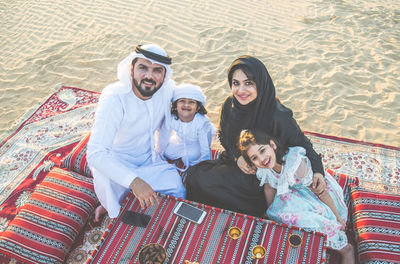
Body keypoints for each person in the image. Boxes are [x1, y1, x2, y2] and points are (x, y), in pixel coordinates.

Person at [186, 55, 326, 218]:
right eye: (236, 83)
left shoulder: (277, 115)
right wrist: (238, 157)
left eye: (248, 83)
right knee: (196, 176)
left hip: (271, 177)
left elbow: (302, 143)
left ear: (260, 84)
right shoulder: (229, 106)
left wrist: (318, 171)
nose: (241, 90)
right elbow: (225, 138)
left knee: (256, 196)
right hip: (241, 167)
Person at [87, 44, 186, 221]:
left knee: (176, 187)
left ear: (164, 76)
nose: (149, 76)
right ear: (131, 68)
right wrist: (135, 182)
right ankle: (110, 207)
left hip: (149, 159)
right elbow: (95, 153)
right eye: (143, 68)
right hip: (118, 164)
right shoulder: (114, 98)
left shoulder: (167, 90)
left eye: (157, 70)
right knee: (118, 209)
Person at [238, 129, 355, 264]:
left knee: (311, 221)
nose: (261, 159)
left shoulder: (295, 163)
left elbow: (321, 191)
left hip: (314, 194)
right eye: (255, 158)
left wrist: (337, 217)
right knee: (282, 214)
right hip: (292, 194)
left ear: (272, 145)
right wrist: (269, 211)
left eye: (262, 150)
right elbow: (269, 187)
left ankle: (345, 249)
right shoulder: (266, 168)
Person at [157, 83, 216, 172]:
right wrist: (160, 154)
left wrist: (205, 165)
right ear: (176, 106)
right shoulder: (172, 118)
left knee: (192, 157)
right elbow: (163, 137)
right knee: (167, 152)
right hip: (179, 140)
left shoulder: (202, 122)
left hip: (195, 143)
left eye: (191, 102)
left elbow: (205, 145)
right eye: (182, 101)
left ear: (198, 107)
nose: (186, 105)